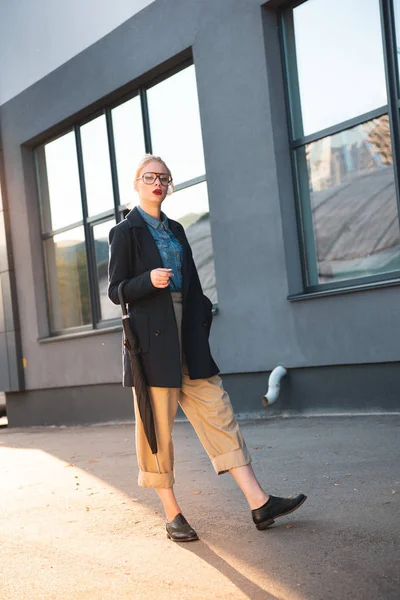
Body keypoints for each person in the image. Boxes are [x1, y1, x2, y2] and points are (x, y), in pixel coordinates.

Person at [108, 154, 307, 541]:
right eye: (150, 177)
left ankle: (259, 503)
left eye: (164, 178)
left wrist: (201, 315)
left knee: (219, 413)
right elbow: (117, 291)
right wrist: (148, 279)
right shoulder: (125, 232)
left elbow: (193, 283)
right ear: (136, 183)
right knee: (156, 430)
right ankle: (172, 514)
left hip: (188, 337)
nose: (158, 183)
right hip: (152, 344)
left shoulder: (177, 229)